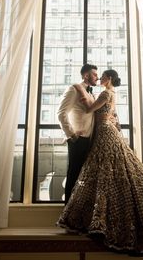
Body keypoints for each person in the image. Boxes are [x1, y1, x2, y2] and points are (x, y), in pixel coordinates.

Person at [57, 69, 143, 256]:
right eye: (98, 75)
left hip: (104, 132)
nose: (100, 78)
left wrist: (84, 97)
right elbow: (112, 115)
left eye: (103, 76)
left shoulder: (106, 92)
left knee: (105, 168)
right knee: (104, 168)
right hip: (101, 132)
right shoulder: (109, 93)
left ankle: (97, 216)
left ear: (110, 79)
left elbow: (90, 109)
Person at [57, 63, 98, 204]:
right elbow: (61, 113)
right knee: (74, 175)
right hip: (78, 140)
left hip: (90, 140)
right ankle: (67, 216)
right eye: (94, 74)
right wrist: (72, 135)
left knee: (86, 178)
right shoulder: (74, 89)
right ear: (86, 75)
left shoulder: (91, 92)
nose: (97, 77)